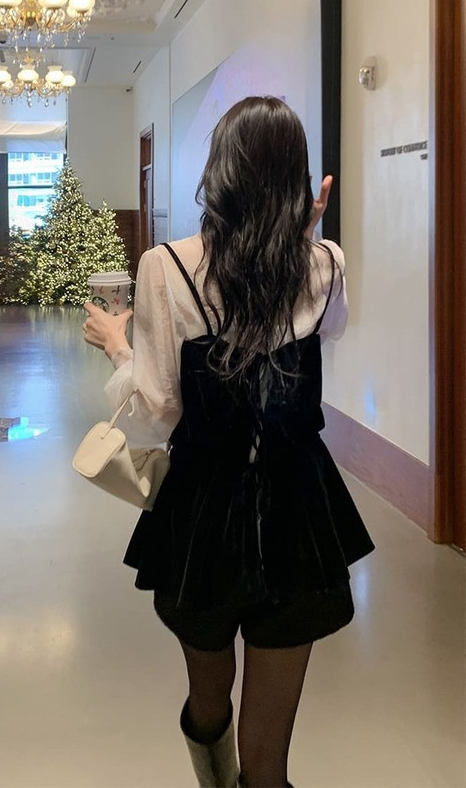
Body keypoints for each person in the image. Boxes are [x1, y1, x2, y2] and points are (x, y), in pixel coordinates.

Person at [82, 96, 375, 788]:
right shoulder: (326, 263)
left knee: (208, 701)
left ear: (218, 172)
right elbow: (327, 328)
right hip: (299, 512)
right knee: (269, 763)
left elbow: (158, 410)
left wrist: (119, 346)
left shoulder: (166, 266)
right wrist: (303, 240)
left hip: (203, 515)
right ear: (296, 180)